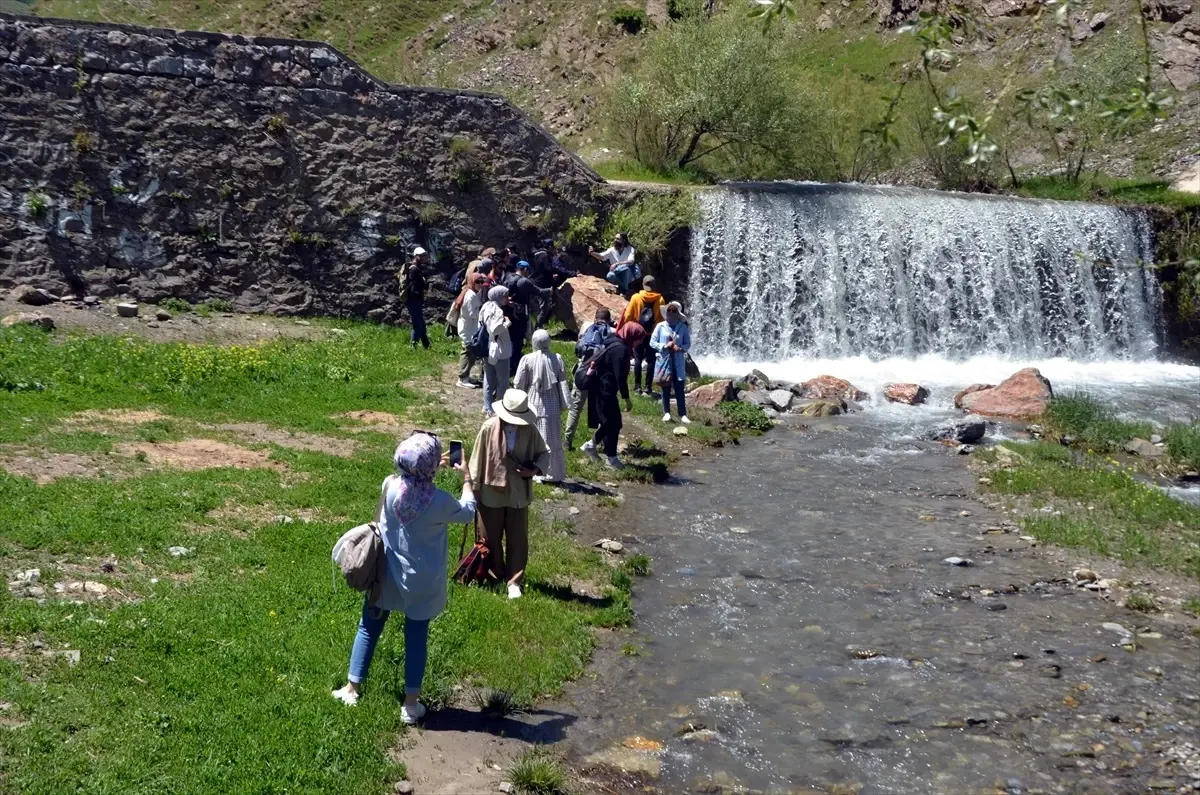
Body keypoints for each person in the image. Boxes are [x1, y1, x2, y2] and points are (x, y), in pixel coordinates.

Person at [331, 432, 475, 723]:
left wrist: (428, 467)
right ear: (431, 467)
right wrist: (467, 478)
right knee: (416, 637)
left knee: (368, 627)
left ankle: (351, 688)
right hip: (421, 582)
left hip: (385, 575)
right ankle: (410, 706)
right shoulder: (441, 501)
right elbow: (469, 513)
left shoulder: (389, 485)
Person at [468, 390, 550, 599]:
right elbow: (477, 460)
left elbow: (544, 453)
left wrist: (534, 471)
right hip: (490, 491)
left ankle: (514, 581)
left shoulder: (530, 430)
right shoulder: (488, 428)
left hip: (518, 492)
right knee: (490, 537)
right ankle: (495, 574)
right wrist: (473, 491)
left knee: (518, 538)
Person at [580, 324, 641, 469]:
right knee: (612, 424)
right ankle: (611, 458)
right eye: (639, 339)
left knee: (610, 423)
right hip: (604, 390)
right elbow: (620, 376)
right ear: (632, 336)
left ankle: (592, 445)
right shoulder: (620, 349)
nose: (640, 342)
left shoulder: (612, 341)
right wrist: (626, 398)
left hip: (600, 389)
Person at [514, 330, 570, 484]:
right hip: (552, 405)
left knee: (534, 439)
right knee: (553, 438)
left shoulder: (527, 359)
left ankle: (537, 471)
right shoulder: (556, 359)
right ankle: (554, 473)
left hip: (533, 403)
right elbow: (562, 380)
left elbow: (518, 383)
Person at [564, 307, 613, 450]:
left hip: (582, 373)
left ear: (595, 318)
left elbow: (578, 349)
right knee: (602, 409)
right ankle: (602, 441)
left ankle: (567, 441)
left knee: (575, 409)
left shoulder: (587, 327)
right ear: (608, 319)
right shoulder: (610, 332)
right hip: (600, 376)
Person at [620, 274, 666, 397]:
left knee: (638, 359)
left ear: (643, 285)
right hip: (652, 333)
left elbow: (628, 316)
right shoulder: (660, 299)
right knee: (651, 360)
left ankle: (637, 387)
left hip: (637, 333)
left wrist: (631, 328)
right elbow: (661, 319)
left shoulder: (636, 297)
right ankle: (648, 388)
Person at [651, 301, 691, 424]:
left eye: (674, 311)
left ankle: (682, 414)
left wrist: (680, 349)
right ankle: (666, 412)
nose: (671, 313)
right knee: (665, 387)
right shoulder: (660, 326)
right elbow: (652, 342)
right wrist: (664, 346)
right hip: (664, 361)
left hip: (678, 360)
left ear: (678, 314)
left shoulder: (682, 327)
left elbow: (687, 343)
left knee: (679, 388)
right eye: (669, 310)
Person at [479, 285, 514, 416]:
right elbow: (494, 329)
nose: (507, 298)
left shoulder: (485, 306)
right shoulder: (497, 310)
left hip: (487, 349)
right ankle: (499, 408)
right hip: (500, 351)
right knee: (503, 381)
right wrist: (507, 323)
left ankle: (487, 406)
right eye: (505, 295)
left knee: (488, 379)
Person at [531, 239, 578, 330]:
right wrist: (559, 271)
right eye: (552, 247)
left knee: (546, 307)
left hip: (538, 282)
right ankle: (538, 328)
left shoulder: (537, 255)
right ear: (549, 247)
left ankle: (539, 326)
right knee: (544, 308)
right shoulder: (545, 256)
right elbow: (550, 268)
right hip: (543, 284)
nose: (553, 250)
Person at [455, 272, 487, 389]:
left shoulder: (473, 293)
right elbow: (471, 313)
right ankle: (462, 377)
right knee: (467, 352)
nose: (480, 284)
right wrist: (483, 313)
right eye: (477, 282)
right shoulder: (471, 295)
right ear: (472, 282)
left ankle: (466, 376)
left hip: (470, 326)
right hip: (468, 327)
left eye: (481, 282)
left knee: (471, 352)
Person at [399, 247, 430, 349]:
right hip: (414, 300)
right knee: (418, 325)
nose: (423, 257)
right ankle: (413, 348)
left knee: (421, 324)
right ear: (416, 256)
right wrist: (424, 283)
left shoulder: (415, 268)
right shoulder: (414, 269)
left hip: (414, 300)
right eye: (421, 255)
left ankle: (426, 346)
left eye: (424, 255)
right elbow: (421, 285)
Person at [589, 233, 636, 297]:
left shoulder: (630, 249)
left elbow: (631, 261)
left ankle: (624, 290)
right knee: (610, 275)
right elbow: (602, 256)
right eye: (615, 238)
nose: (615, 240)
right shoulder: (612, 250)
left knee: (625, 269)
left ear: (624, 241)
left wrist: (617, 264)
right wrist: (592, 253)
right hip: (616, 273)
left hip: (628, 274)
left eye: (618, 239)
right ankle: (621, 286)